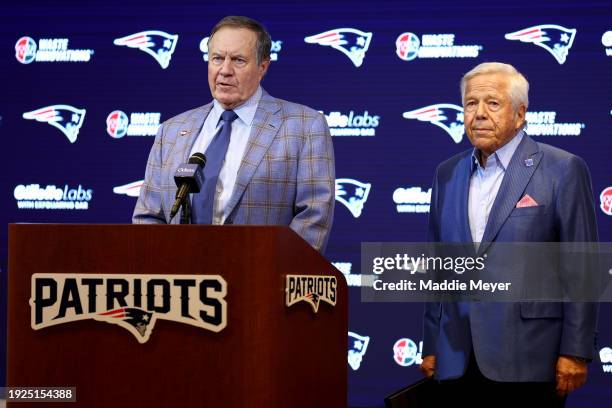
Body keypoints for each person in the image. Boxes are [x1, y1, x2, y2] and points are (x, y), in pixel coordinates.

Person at [420, 62, 598, 406]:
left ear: (520, 113)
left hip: (530, 359)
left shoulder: (563, 169)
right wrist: (431, 343)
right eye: (471, 104)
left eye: (493, 103)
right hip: (457, 359)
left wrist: (576, 351)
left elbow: (583, 268)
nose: (480, 114)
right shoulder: (447, 173)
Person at [133, 16, 335, 253]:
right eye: (217, 58)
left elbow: (314, 215)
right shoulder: (172, 130)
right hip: (185, 281)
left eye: (238, 60)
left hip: (263, 278)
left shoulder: (304, 126)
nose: (225, 70)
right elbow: (148, 216)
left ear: (263, 67)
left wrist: (271, 272)